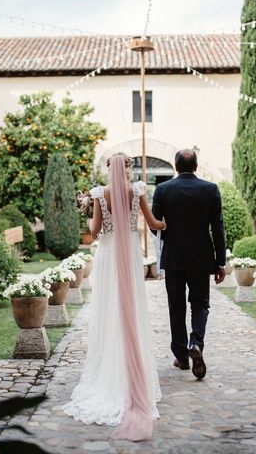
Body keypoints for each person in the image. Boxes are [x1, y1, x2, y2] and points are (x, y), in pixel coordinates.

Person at [63, 153, 166, 442]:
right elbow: (154, 224)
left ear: (110, 170)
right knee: (131, 309)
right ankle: (131, 370)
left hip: (109, 254)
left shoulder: (100, 193)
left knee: (109, 309)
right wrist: (165, 225)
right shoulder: (138, 191)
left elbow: (95, 231)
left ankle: (110, 371)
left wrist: (89, 208)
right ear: (129, 169)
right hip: (131, 253)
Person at [151, 149, 227, 380]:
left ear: (175, 167)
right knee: (200, 304)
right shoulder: (210, 189)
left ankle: (182, 357)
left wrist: (170, 238)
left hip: (173, 258)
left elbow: (155, 225)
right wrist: (220, 262)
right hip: (201, 257)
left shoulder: (163, 190)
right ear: (196, 166)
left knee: (176, 306)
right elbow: (218, 227)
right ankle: (197, 343)